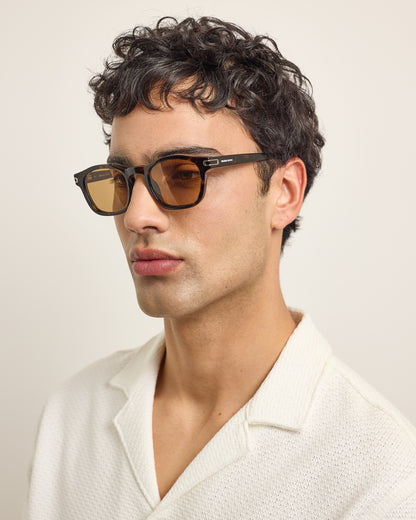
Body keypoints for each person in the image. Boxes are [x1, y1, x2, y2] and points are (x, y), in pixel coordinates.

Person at [27, 16, 416, 519]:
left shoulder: (380, 473)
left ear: (284, 192)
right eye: (122, 178)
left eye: (184, 174)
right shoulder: (72, 415)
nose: (137, 216)